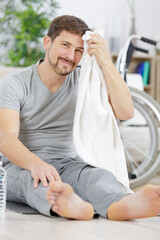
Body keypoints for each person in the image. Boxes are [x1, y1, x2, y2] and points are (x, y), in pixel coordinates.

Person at [0, 15, 160, 221]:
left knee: (99, 177)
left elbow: (126, 112)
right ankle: (68, 204)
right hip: (21, 165)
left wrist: (105, 62)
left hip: (69, 164)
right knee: (33, 182)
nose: (70, 56)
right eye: (65, 45)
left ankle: (122, 205)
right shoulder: (15, 83)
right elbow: (6, 137)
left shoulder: (84, 83)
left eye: (78, 50)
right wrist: (36, 164)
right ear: (47, 42)